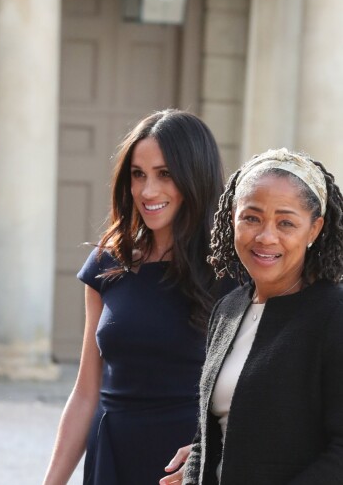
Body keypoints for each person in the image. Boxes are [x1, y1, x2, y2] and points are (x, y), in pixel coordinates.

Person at [43, 109, 231, 485]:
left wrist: (215, 452)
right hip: (111, 455)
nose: (148, 191)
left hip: (187, 464)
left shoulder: (230, 273)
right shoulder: (106, 262)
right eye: (138, 174)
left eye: (165, 174)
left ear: (196, 177)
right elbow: (85, 393)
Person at [179, 148, 343, 485]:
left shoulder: (334, 314)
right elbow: (206, 437)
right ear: (232, 219)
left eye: (286, 222)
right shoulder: (227, 310)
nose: (266, 236)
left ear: (314, 229)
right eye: (251, 217)